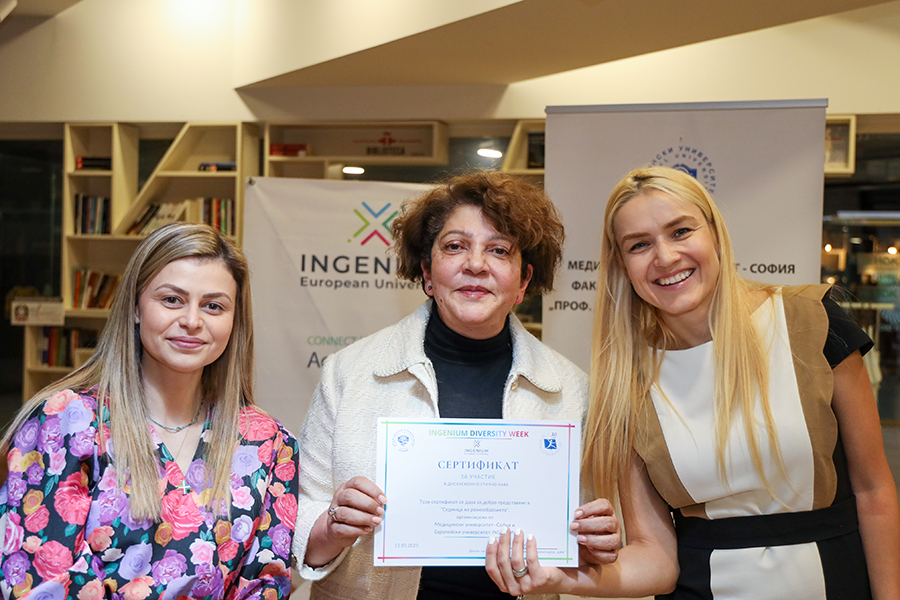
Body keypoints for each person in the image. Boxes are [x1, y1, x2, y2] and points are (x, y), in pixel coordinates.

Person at [488, 165, 900, 599]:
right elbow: (656, 559)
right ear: (622, 266)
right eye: (639, 245)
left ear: (715, 234)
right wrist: (562, 578)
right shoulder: (625, 384)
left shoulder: (812, 321)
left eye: (681, 231)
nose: (665, 257)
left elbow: (874, 491)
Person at [292, 171, 620, 600]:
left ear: (523, 281)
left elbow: (579, 541)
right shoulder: (349, 373)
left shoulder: (571, 391)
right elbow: (297, 524)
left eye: (499, 250)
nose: (476, 264)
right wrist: (331, 527)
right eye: (455, 246)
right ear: (427, 271)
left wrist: (593, 542)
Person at [0, 223, 299, 600]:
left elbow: (267, 582)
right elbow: (37, 581)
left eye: (213, 306)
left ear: (234, 320)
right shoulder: (66, 422)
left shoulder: (270, 442)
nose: (192, 321)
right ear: (136, 307)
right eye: (172, 299)